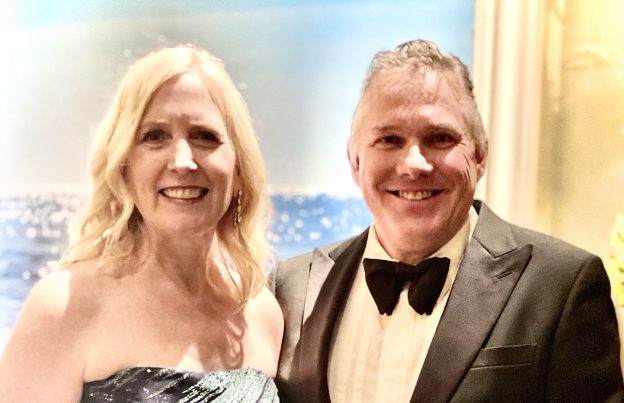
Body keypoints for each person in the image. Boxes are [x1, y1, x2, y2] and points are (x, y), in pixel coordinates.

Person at [270, 39, 623, 402]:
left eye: (439, 138)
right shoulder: (292, 287)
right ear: (355, 162)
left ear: (480, 156)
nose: (414, 165)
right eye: (389, 139)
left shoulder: (560, 287)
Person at [0, 45, 283, 402]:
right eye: (154, 137)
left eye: (204, 136)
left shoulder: (263, 314)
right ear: (124, 167)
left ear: (239, 169)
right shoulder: (64, 306)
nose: (182, 161)